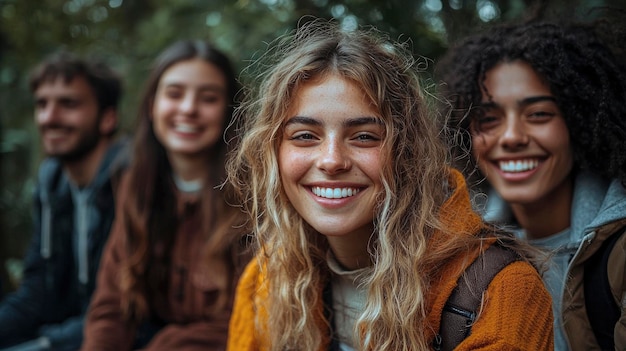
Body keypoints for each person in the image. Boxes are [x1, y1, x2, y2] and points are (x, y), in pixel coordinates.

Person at [225, 19, 554, 351]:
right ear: (273, 152)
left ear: (407, 153)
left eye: (364, 137)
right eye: (305, 136)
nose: (331, 160)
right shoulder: (267, 282)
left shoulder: (497, 292)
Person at [437, 19, 626, 351]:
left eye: (538, 114)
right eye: (489, 119)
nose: (511, 137)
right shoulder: (458, 253)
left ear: (579, 121)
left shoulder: (619, 254)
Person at [82, 40, 250, 350]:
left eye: (208, 98)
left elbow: (248, 319)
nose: (188, 109)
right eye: (174, 94)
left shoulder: (252, 198)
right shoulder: (136, 185)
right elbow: (111, 307)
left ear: (229, 111)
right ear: (152, 105)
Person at [0, 52, 127, 350]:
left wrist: (46, 344)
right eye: (42, 104)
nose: (49, 118)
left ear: (108, 118)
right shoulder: (52, 182)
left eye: (68, 104)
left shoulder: (131, 182)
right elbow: (36, 290)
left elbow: (129, 308)